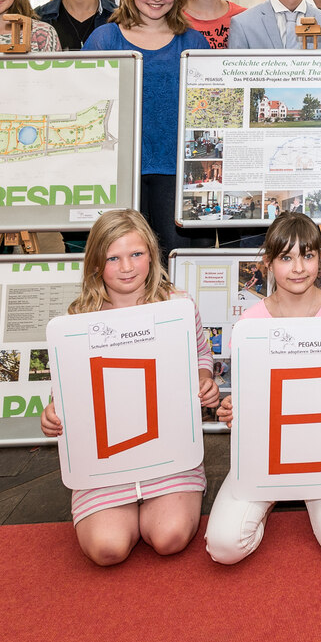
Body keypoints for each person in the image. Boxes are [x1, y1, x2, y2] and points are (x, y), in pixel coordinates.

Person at [37, 209, 219, 565]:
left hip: (168, 453)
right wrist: (52, 412)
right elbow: (65, 387)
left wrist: (204, 382)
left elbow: (200, 356)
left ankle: (165, 502)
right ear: (95, 264)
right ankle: (120, 512)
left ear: (151, 254)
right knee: (108, 549)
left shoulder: (177, 305)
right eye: (113, 258)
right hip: (105, 460)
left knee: (170, 538)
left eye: (136, 254)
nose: (126, 267)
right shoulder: (78, 318)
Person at [206, 212, 321, 563]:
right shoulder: (250, 322)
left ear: (320, 258)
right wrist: (232, 409)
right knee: (223, 547)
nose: (299, 267)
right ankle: (273, 494)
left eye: (308, 255)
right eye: (286, 257)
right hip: (268, 451)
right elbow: (246, 396)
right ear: (269, 263)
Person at [84, 0, 213, 257]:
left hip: (178, 172)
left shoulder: (193, 43)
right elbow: (86, 103)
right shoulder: (106, 39)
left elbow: (208, 113)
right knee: (124, 260)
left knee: (176, 262)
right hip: (119, 172)